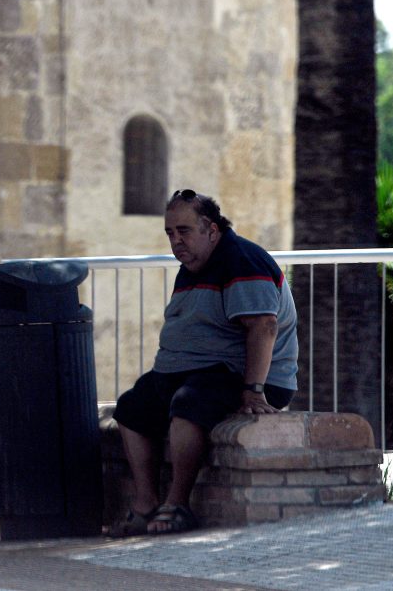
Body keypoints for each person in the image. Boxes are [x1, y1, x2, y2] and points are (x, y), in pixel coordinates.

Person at [108, 189, 298, 536]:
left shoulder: (240, 259)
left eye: (184, 231)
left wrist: (253, 391)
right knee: (131, 407)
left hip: (243, 375)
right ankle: (146, 503)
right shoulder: (194, 263)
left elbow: (263, 326)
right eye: (169, 233)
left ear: (211, 230)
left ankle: (178, 503)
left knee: (189, 403)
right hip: (194, 371)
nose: (176, 241)